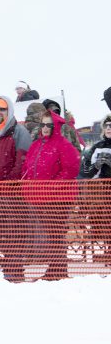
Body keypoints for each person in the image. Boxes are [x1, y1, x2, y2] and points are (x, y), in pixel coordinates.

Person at [21, 110, 81, 281]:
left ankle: (57, 270)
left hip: (59, 198)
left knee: (55, 234)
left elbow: (71, 168)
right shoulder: (37, 144)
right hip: (41, 197)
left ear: (55, 126)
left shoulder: (62, 144)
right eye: (43, 124)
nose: (45, 128)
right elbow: (28, 167)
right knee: (51, 234)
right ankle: (56, 269)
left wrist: (53, 186)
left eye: (49, 125)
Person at [0, 96, 33, 282]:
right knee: (0, 233)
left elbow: (22, 162)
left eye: (2, 109)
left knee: (14, 232)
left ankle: (15, 268)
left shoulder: (19, 131)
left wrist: (9, 183)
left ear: (9, 110)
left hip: (12, 193)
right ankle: (9, 264)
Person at [79, 114, 111, 267]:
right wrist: (96, 165)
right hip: (101, 192)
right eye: (107, 125)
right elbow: (86, 173)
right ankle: (107, 251)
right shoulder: (97, 146)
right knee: (103, 219)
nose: (109, 128)